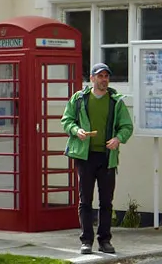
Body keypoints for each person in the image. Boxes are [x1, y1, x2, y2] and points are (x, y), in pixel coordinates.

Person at [61, 63, 134, 254]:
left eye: (106, 76)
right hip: (84, 156)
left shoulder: (115, 102)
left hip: (107, 157)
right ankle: (86, 241)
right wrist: (76, 131)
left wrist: (118, 139)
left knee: (106, 202)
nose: (103, 80)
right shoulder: (79, 99)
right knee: (85, 200)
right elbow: (66, 120)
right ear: (92, 79)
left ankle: (105, 240)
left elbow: (127, 126)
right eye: (100, 76)